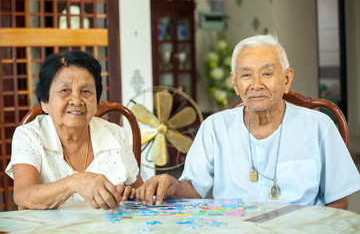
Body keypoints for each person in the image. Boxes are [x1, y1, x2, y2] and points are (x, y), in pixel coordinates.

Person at [136, 34, 360, 209]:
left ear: (287, 79)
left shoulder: (319, 127)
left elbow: (338, 201)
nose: (255, 84)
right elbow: (195, 191)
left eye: (267, 74)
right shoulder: (215, 127)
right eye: (246, 75)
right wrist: (173, 185)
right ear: (235, 83)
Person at [6, 50, 143, 210]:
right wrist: (75, 182)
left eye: (86, 92)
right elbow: (23, 196)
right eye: (65, 91)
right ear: (44, 102)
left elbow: (138, 192)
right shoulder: (29, 136)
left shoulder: (114, 134)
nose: (77, 100)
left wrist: (126, 194)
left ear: (96, 100)